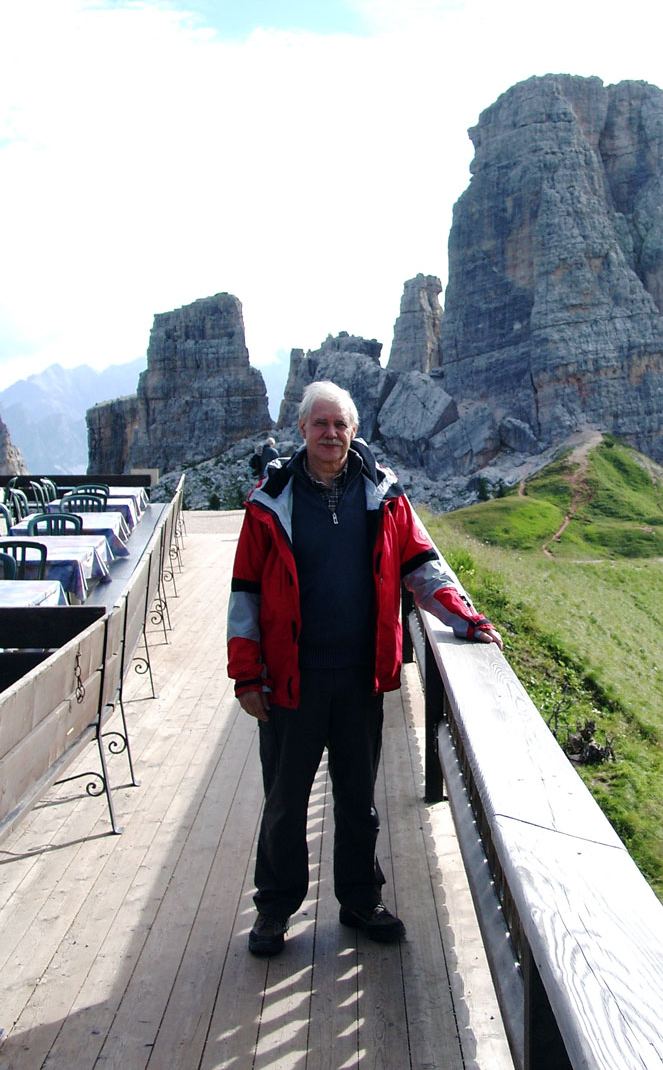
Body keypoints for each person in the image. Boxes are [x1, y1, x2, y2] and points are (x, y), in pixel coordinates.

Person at [227, 380, 502, 956]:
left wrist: (466, 618)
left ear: (354, 431)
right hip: (289, 682)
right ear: (302, 429)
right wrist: (246, 674)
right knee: (284, 801)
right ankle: (274, 910)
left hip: (359, 678)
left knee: (358, 799)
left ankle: (360, 900)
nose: (331, 434)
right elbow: (245, 594)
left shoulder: (385, 493)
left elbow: (422, 565)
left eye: (341, 425)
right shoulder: (270, 498)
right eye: (320, 424)